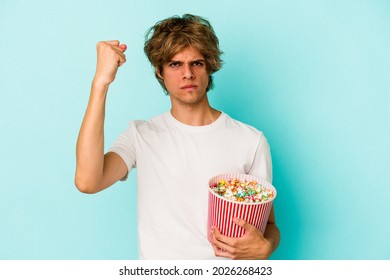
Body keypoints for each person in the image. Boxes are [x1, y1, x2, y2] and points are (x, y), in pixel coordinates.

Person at [75, 14, 280, 260]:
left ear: (209, 66)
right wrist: (100, 83)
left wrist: (267, 245)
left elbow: (268, 224)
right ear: (159, 71)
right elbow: (87, 182)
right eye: (175, 64)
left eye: (196, 63)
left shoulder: (251, 140)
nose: (187, 74)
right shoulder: (141, 136)